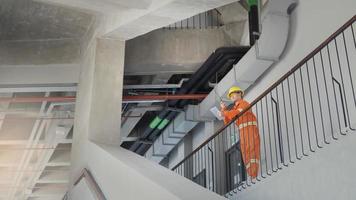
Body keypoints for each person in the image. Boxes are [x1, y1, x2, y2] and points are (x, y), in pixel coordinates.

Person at [220, 86, 260, 178]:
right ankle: (251, 175)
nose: (232, 97)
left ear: (239, 93)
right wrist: (223, 109)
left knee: (251, 149)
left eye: (233, 94)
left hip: (250, 129)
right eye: (230, 95)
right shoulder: (235, 108)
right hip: (242, 131)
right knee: (245, 152)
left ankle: (254, 175)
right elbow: (227, 121)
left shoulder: (244, 103)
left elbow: (236, 113)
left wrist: (225, 112)